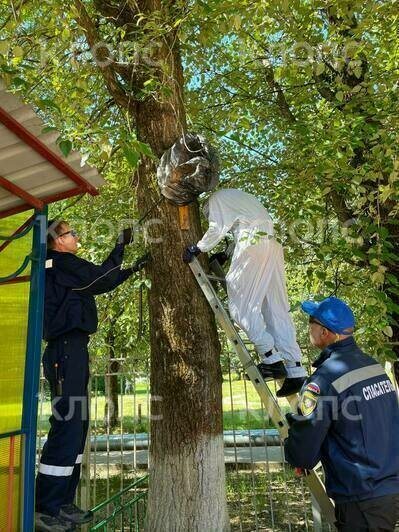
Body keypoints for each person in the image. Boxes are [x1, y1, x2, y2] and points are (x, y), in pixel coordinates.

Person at [35, 220, 147, 532]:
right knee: (67, 425)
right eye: (71, 233)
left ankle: (63, 502)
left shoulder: (64, 266)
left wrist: (130, 269)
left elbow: (96, 280)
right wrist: (121, 248)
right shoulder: (60, 263)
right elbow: (99, 279)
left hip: (74, 351)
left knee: (77, 426)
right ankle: (45, 507)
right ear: (58, 241)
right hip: (65, 351)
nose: (77, 236)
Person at [284, 296, 399, 531]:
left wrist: (294, 447)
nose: (309, 328)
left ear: (325, 332)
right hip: (387, 488)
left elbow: (304, 453)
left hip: (361, 498)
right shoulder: (372, 366)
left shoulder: (324, 380)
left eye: (311, 322)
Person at [183, 188, 306, 397]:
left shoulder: (215, 200)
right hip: (271, 245)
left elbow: (218, 227)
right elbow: (243, 225)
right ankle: (296, 370)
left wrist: (198, 247)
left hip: (253, 243)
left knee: (241, 305)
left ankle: (271, 359)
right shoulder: (242, 198)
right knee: (275, 309)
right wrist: (227, 253)